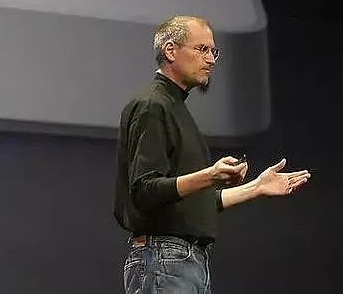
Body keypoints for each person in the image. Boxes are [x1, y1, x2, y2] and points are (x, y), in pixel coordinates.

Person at [113, 15, 311, 293]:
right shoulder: (152, 105)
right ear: (170, 51)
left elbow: (193, 204)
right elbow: (144, 190)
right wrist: (210, 175)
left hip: (186, 262)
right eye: (202, 49)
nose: (211, 59)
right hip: (164, 260)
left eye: (213, 51)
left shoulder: (174, 107)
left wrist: (256, 187)